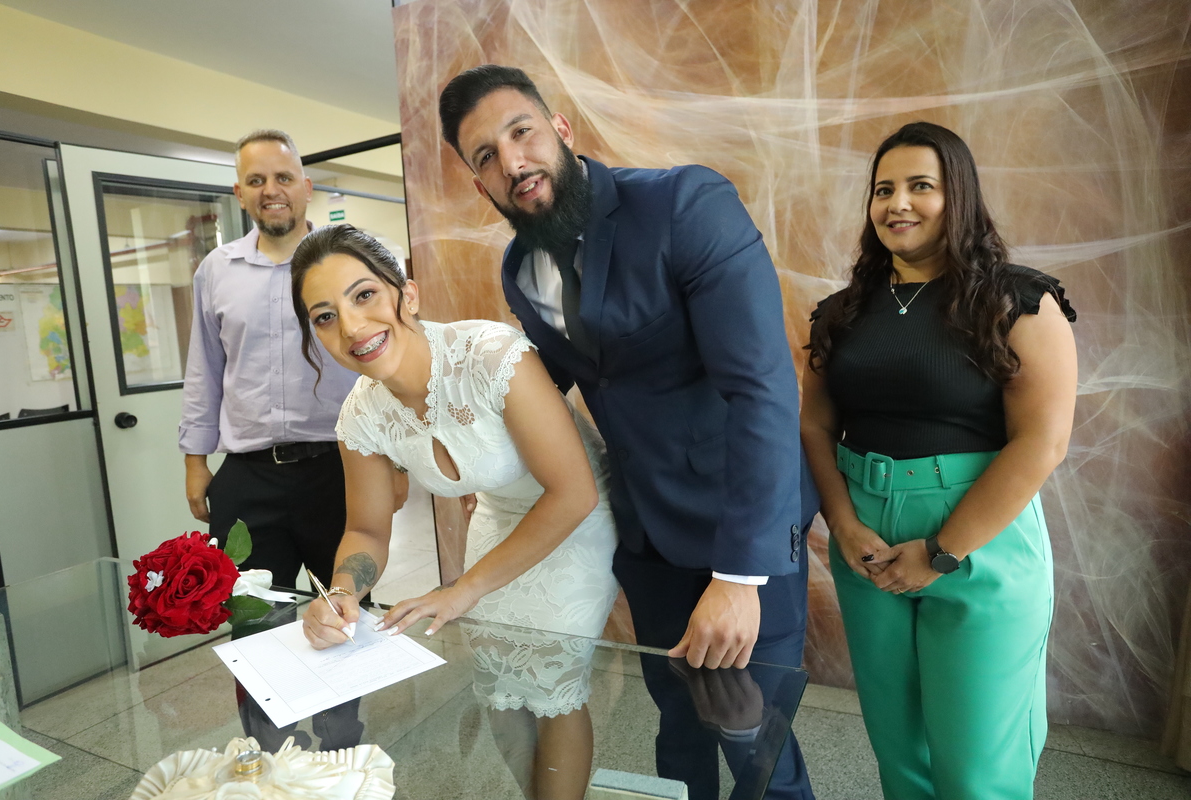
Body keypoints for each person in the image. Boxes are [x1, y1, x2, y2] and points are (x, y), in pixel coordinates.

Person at [438, 65, 819, 800]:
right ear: (479, 183)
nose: (512, 161)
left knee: (757, 743)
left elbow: (763, 390)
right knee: (677, 728)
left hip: (741, 525)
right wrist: (476, 459)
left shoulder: (685, 205)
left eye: (521, 132)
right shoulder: (519, 270)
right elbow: (543, 394)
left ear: (561, 129)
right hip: (646, 537)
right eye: (486, 155)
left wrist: (740, 578)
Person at [800, 121, 1077, 800]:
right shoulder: (841, 312)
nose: (898, 203)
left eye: (920, 186)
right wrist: (842, 523)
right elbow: (815, 422)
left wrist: (943, 550)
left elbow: (1042, 442)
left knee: (976, 771)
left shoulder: (1018, 302)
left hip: (978, 537)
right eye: (883, 189)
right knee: (902, 757)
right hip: (866, 539)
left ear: (958, 196)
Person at [293, 224, 619, 800]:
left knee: (551, 680)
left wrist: (462, 589)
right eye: (324, 316)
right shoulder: (361, 415)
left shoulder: (491, 354)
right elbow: (366, 528)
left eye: (364, 295)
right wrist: (342, 590)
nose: (352, 327)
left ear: (408, 294)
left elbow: (574, 494)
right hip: (500, 513)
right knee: (499, 682)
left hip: (581, 510)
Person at [178, 129, 364, 751]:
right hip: (248, 477)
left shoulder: (348, 260)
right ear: (240, 193)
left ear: (306, 186)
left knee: (341, 612)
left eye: (283, 177)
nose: (271, 190)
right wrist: (195, 461)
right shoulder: (217, 270)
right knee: (254, 623)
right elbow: (204, 371)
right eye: (256, 180)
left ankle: (342, 748)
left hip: (340, 469)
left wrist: (391, 463)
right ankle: (267, 753)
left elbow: (382, 361)